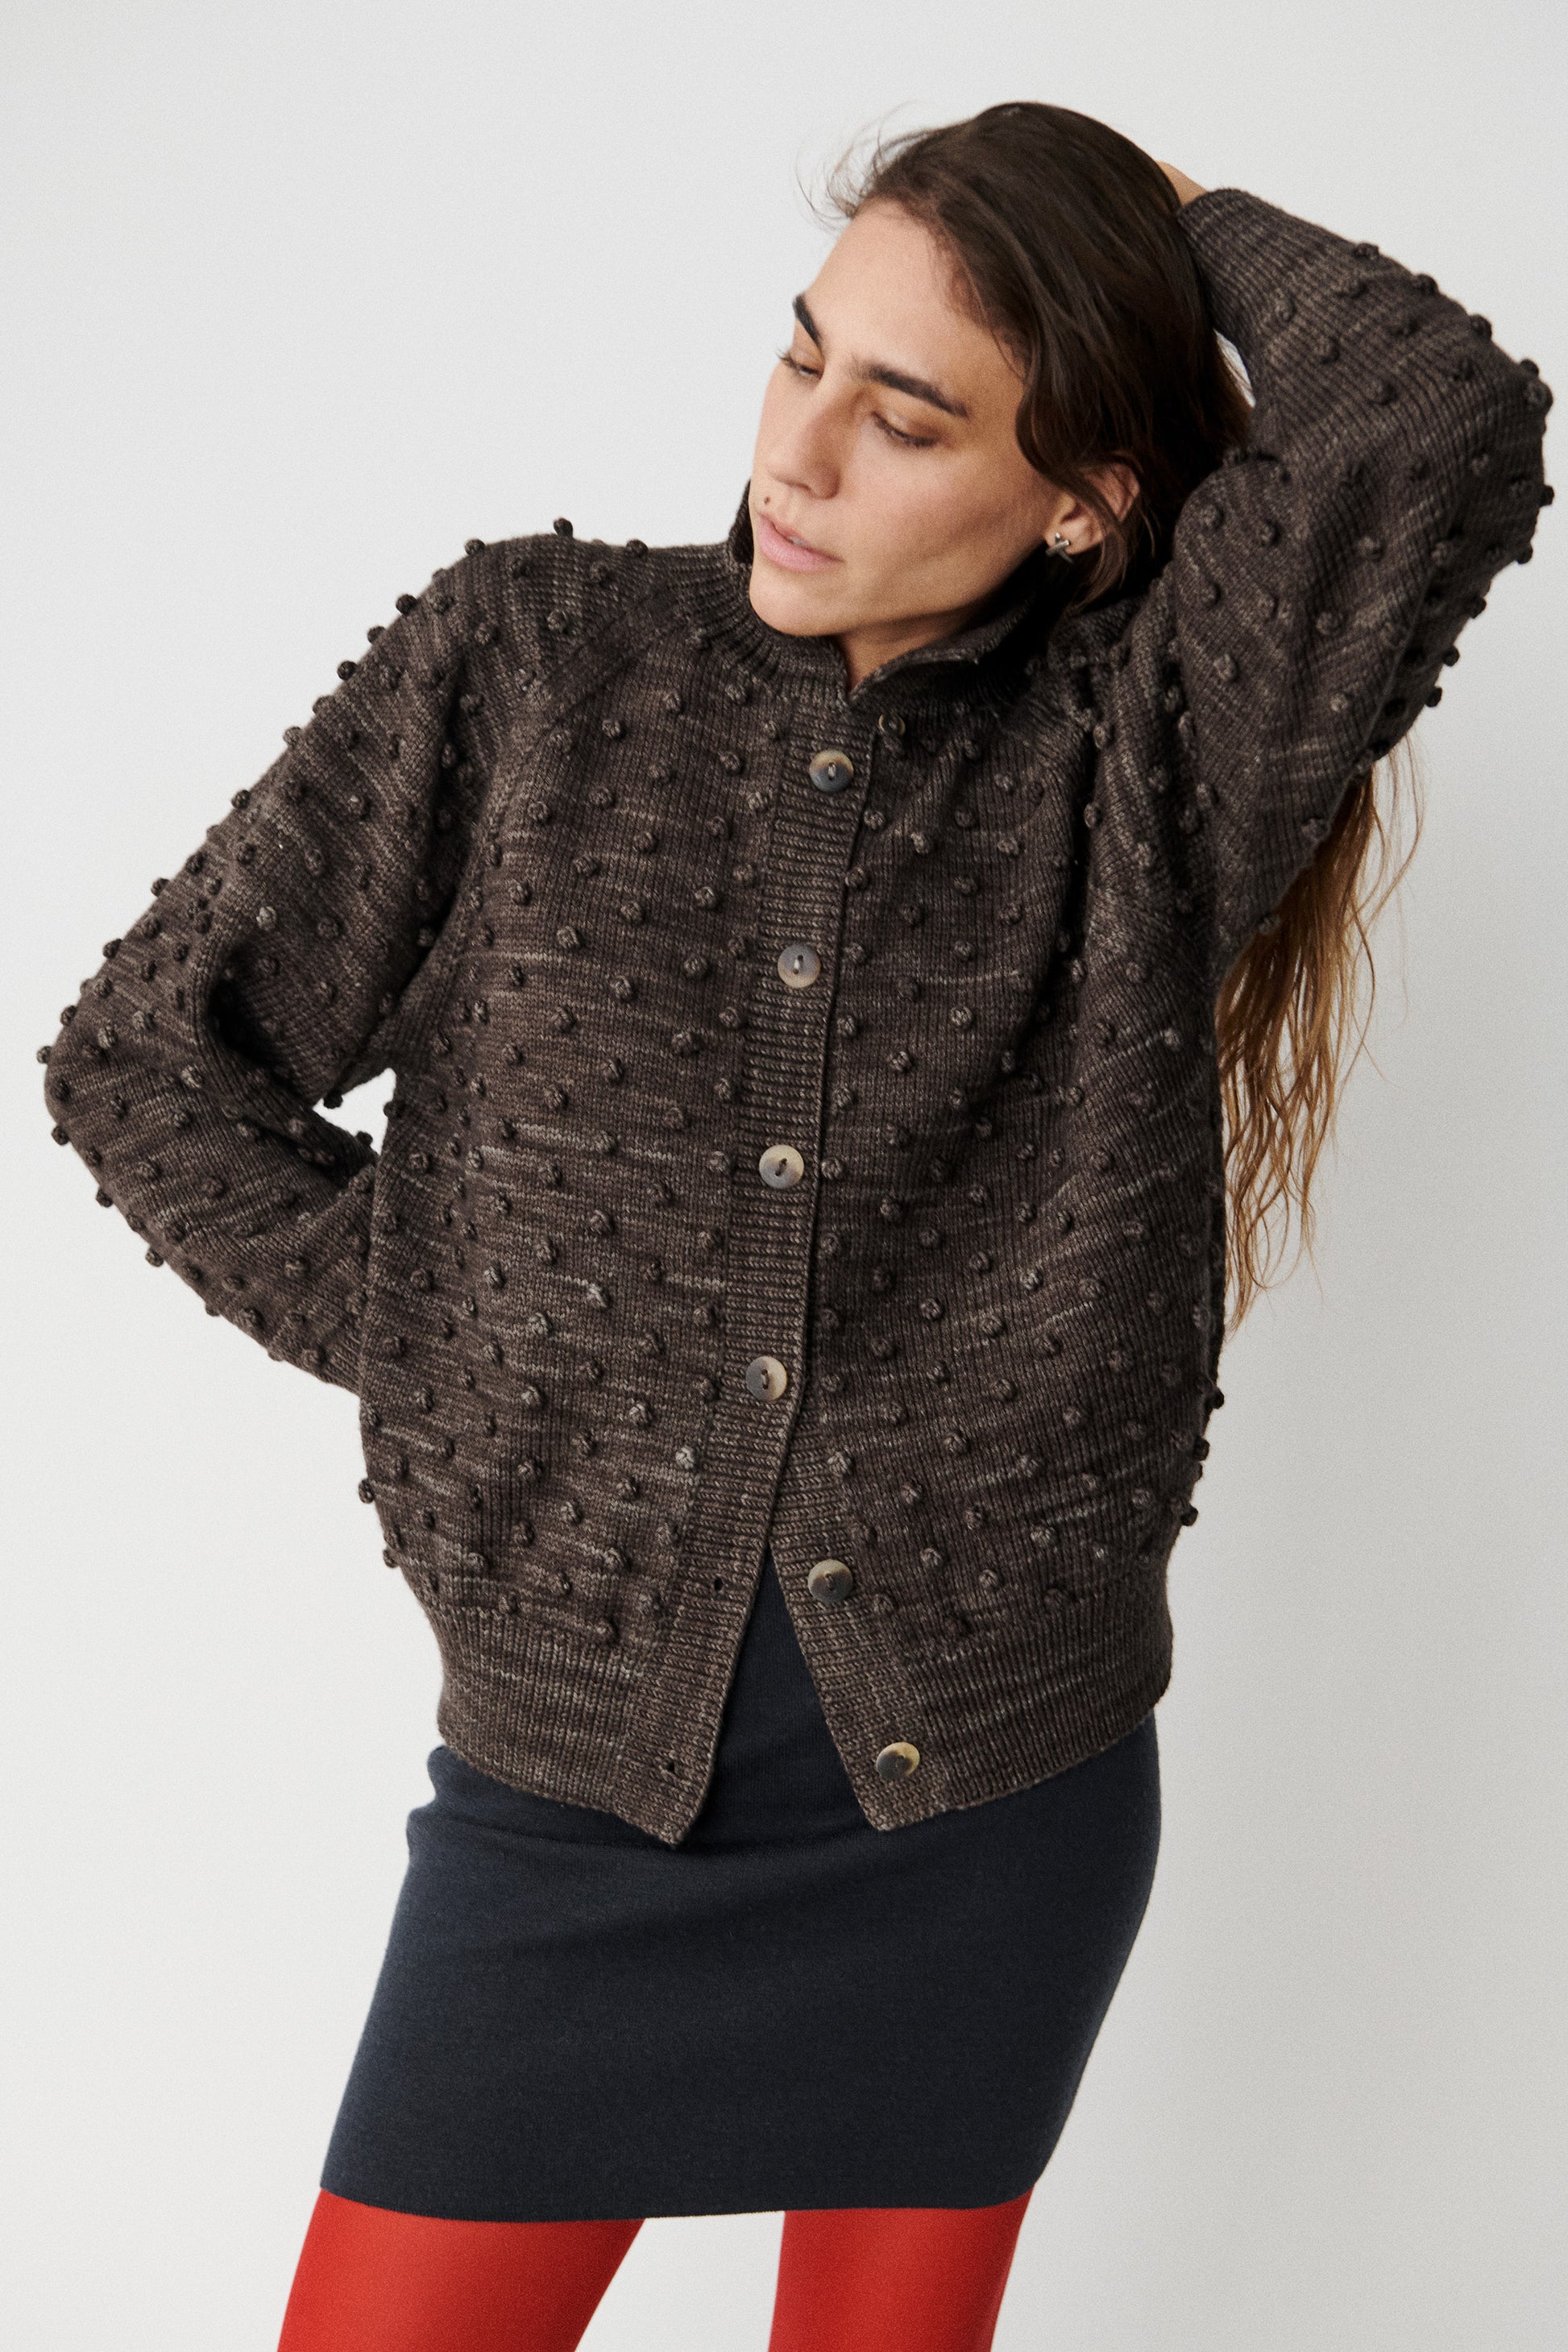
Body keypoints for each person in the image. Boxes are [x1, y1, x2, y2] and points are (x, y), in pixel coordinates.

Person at [39, 100, 1549, 2352]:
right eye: (800, 354)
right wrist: (459, 1325)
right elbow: (148, 1057)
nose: (800, 455)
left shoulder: (1144, 752)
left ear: (1081, 499)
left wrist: (1162, 212)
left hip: (988, 1804)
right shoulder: (528, 662)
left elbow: (1437, 415)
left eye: (909, 416)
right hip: (566, 1806)